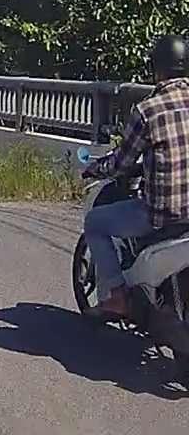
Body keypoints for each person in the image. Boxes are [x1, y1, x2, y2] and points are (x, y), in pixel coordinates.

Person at [81, 34, 189, 319]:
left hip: (164, 214)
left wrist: (95, 168)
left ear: (157, 68)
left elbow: (121, 163)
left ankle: (117, 297)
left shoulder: (148, 110)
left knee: (95, 223)